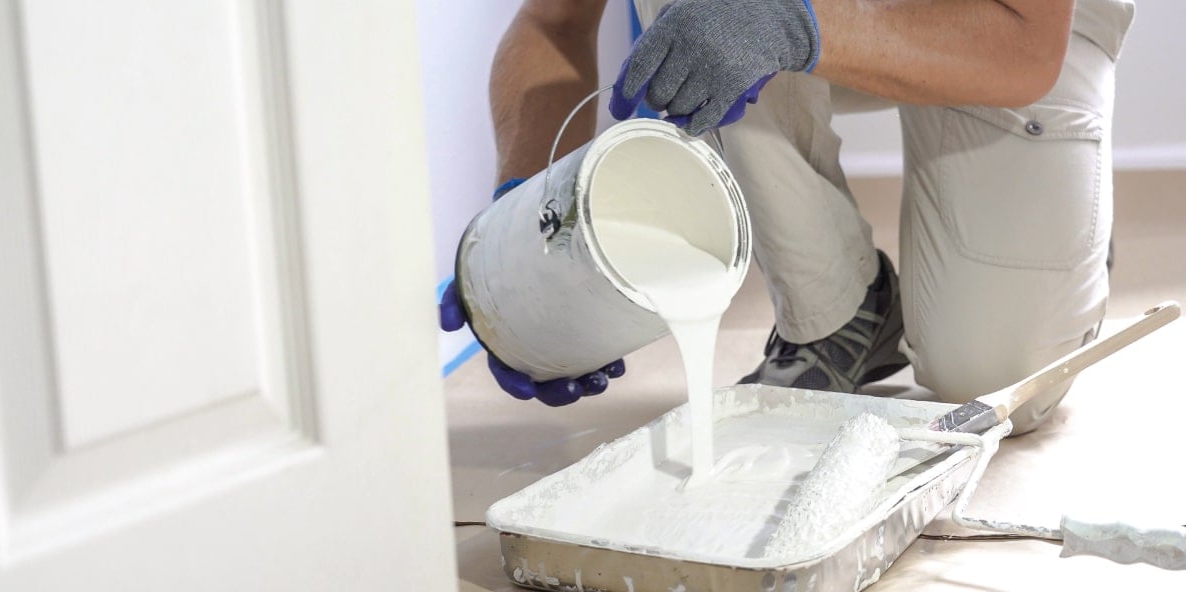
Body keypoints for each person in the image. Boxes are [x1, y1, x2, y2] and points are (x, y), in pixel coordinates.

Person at [441, 0, 1135, 435]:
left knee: (993, 378)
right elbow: (555, 21)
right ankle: (837, 316)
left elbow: (1026, 44)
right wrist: (528, 215)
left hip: (1012, 24)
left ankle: (1074, 223)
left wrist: (787, 22)